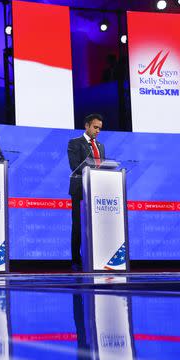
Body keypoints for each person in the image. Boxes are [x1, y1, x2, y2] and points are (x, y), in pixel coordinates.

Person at [67, 113, 106, 270]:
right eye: (95, 127)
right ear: (87, 126)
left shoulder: (101, 146)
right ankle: (76, 261)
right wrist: (91, 170)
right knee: (78, 225)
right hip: (79, 189)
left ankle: (97, 257)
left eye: (100, 128)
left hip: (97, 191)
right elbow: (74, 166)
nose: (97, 131)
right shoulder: (75, 143)